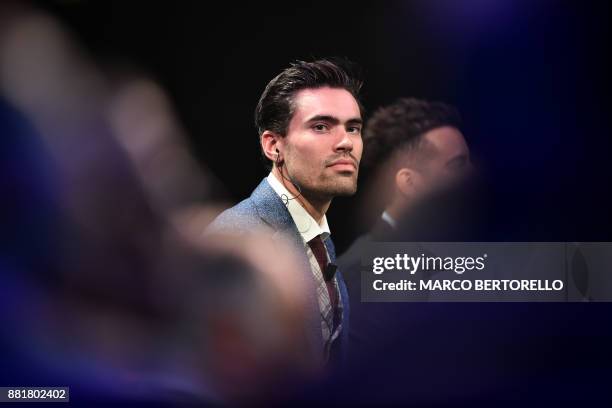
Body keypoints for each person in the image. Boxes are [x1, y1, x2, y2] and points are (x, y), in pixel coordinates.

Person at [206, 58, 365, 366]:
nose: (346, 142)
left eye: (353, 128)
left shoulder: (319, 240)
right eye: (321, 126)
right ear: (273, 145)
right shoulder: (238, 239)